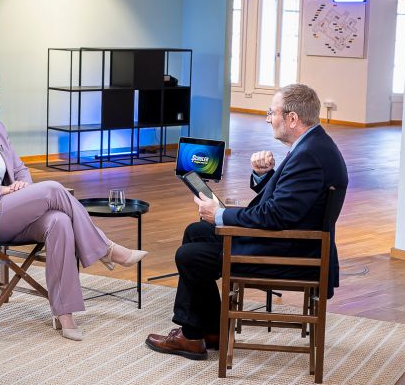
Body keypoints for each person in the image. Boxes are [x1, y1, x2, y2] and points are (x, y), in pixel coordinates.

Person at [0, 70, 146, 341]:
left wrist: (22, 185)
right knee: (54, 189)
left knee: (59, 221)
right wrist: (2, 190)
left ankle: (65, 313)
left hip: (8, 210)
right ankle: (107, 249)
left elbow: (20, 169)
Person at [146, 82, 348, 358]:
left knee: (190, 256)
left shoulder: (310, 156)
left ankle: (192, 336)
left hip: (289, 253)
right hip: (290, 241)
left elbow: (275, 216)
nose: (268, 119)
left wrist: (220, 215)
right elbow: (290, 205)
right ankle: (211, 329)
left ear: (292, 118)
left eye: (271, 113)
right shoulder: (314, 146)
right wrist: (264, 176)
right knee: (196, 231)